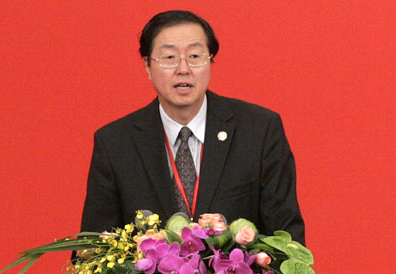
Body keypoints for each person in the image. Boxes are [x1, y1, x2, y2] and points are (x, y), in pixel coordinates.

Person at [79, 10, 305, 245]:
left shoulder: (259, 131)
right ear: (147, 65)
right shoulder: (115, 143)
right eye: (169, 58)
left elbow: (287, 241)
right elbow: (93, 248)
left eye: (195, 56)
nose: (184, 68)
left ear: (210, 60)